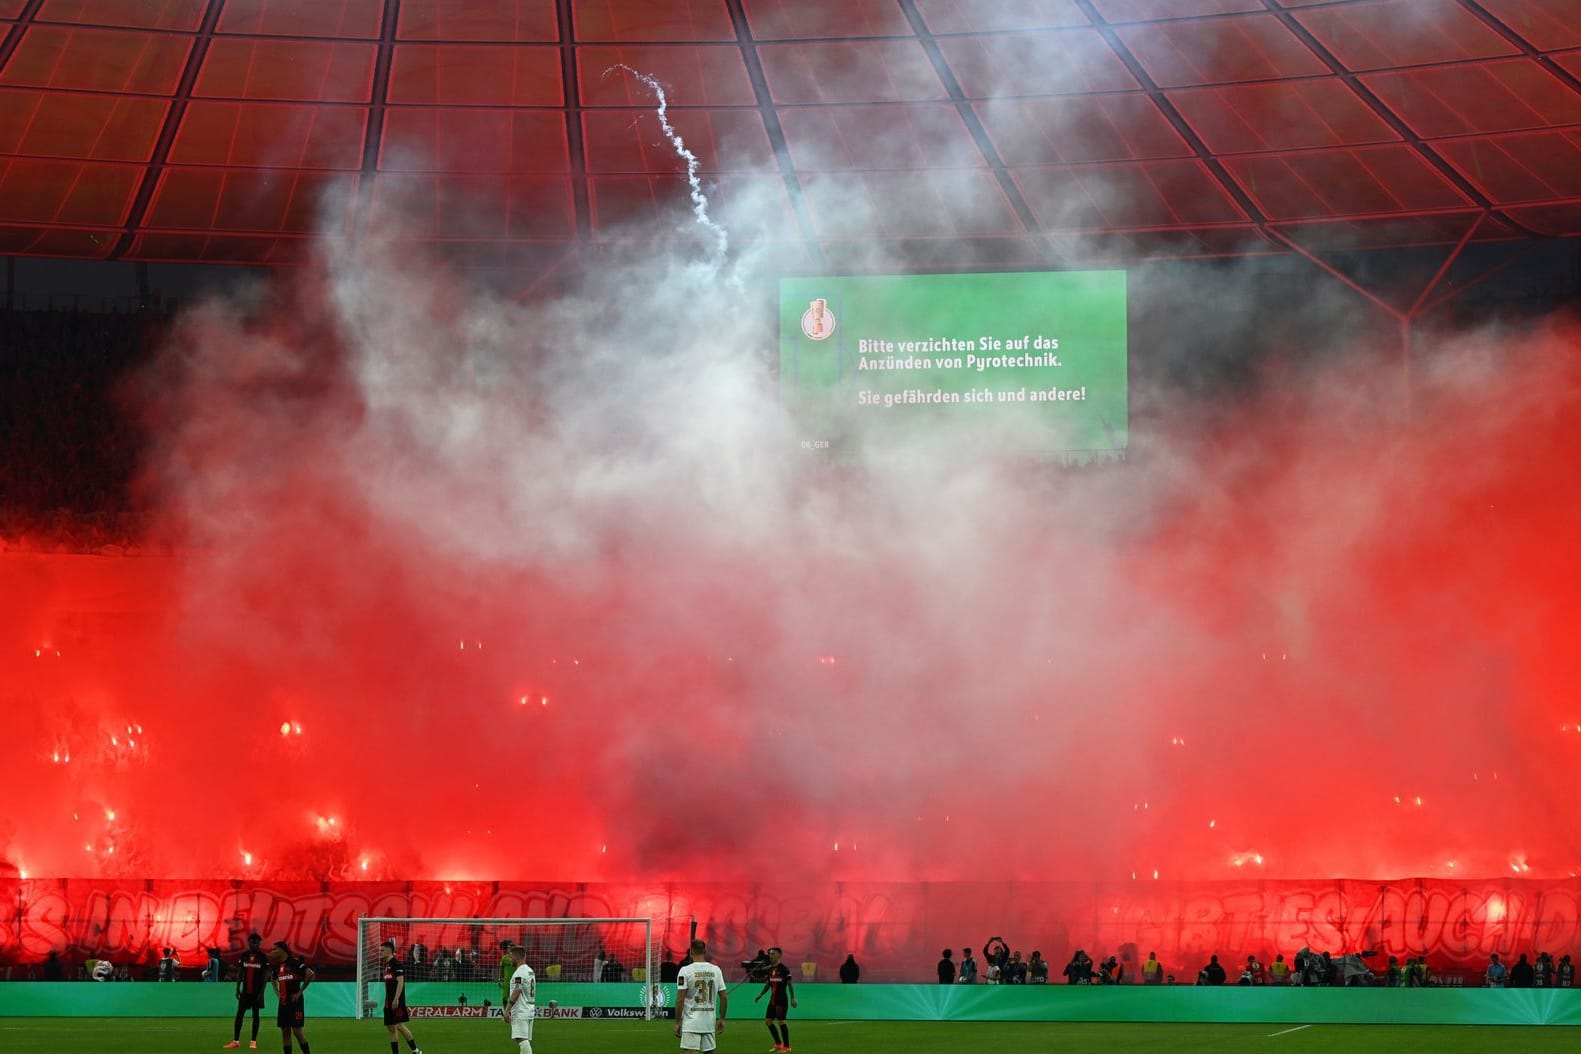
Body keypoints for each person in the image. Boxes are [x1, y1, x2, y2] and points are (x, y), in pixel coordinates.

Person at [675, 938, 728, 1054]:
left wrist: (677, 1022)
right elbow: (724, 997)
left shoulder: (685, 971)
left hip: (691, 1022)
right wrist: (722, 1019)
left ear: (691, 952)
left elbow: (680, 999)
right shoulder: (716, 970)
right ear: (705, 951)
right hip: (709, 1021)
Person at [268, 940, 315, 1054]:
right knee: (285, 1032)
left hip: (295, 1002)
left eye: (274, 949)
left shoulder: (295, 963)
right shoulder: (277, 967)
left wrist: (299, 992)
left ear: (282, 950)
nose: (272, 952)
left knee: (297, 1031)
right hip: (283, 1002)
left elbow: (310, 974)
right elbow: (272, 979)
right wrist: (277, 993)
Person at [225, 933, 270, 1049]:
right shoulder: (244, 955)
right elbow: (240, 972)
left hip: (257, 992)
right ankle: (236, 1041)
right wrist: (237, 987)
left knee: (256, 1015)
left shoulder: (263, 957)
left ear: (259, 943)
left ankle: (253, 1041)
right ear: (249, 942)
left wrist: (261, 993)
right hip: (245, 991)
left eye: (256, 942)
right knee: (239, 1014)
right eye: (252, 941)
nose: (254, 944)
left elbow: (265, 977)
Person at [381, 939, 423, 1054]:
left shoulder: (396, 964)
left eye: (382, 950)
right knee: (391, 1028)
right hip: (388, 1001)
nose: (380, 952)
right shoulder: (386, 965)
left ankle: (415, 1050)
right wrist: (387, 1002)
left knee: (399, 1025)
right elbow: (387, 984)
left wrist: (396, 999)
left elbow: (401, 982)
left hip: (397, 1001)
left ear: (389, 951)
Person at [754, 946, 797, 1053]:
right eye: (770, 954)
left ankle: (787, 1047)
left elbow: (790, 984)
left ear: (779, 955)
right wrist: (761, 994)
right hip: (772, 1001)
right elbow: (768, 984)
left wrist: (793, 998)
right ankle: (778, 1043)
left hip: (781, 1000)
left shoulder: (784, 969)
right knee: (768, 1022)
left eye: (773, 953)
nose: (770, 955)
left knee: (781, 1022)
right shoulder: (770, 969)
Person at [505, 944, 536, 1054]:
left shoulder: (519, 973)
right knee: (523, 1040)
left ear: (516, 957)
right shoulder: (530, 971)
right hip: (529, 1009)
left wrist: (507, 1010)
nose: (510, 960)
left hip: (521, 1011)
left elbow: (516, 991)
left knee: (522, 1040)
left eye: (511, 957)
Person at [498, 941, 515, 1007]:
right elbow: (501, 969)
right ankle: (505, 1013)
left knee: (514, 998)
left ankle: (513, 1014)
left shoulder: (517, 958)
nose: (510, 949)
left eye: (512, 948)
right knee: (504, 998)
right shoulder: (504, 958)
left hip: (515, 981)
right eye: (509, 948)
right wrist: (500, 979)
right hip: (506, 981)